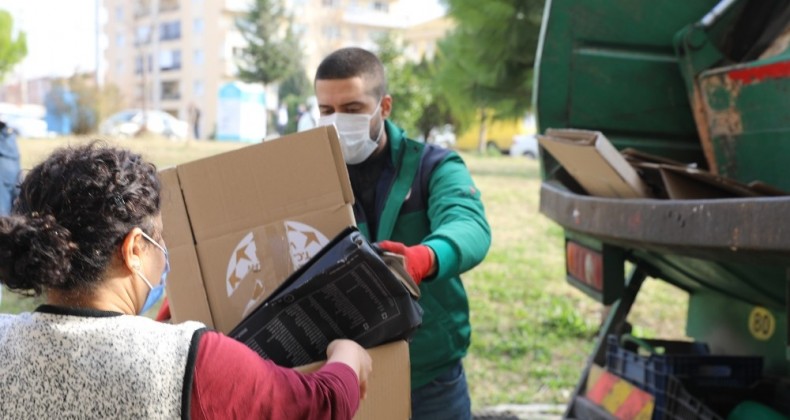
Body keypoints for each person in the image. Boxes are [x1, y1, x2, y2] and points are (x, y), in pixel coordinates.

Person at [0, 142, 372, 419]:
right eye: (158, 238)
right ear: (133, 250)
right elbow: (318, 406)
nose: (163, 250)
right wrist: (348, 358)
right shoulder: (192, 358)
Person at [314, 47, 491, 420]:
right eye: (326, 111)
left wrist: (424, 258)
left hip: (429, 373)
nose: (337, 121)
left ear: (385, 106)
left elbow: (469, 225)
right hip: (347, 371)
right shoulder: (310, 176)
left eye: (352, 109)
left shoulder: (433, 167)